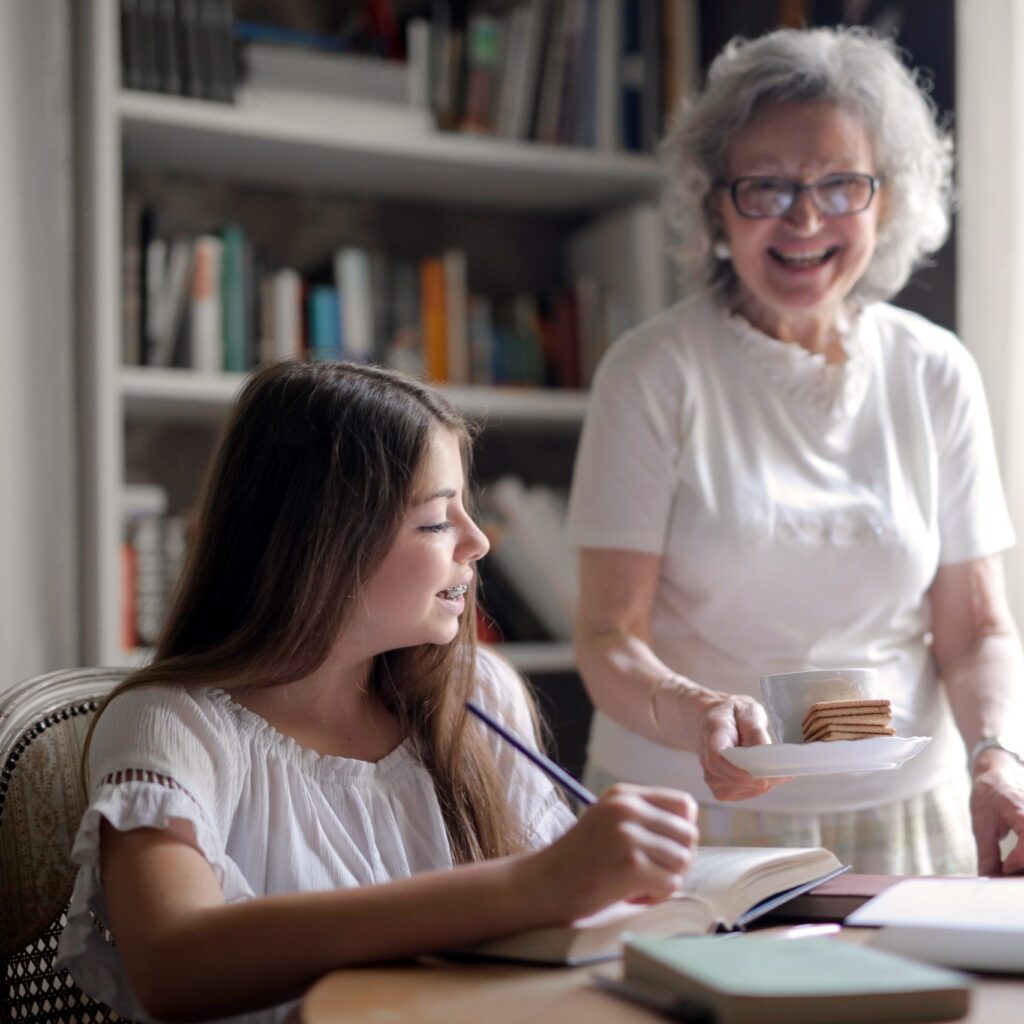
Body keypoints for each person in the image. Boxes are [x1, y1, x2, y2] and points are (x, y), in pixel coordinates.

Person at [57, 361, 698, 1024]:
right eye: (434, 523)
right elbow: (172, 964)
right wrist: (529, 887)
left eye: (465, 511)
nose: (478, 542)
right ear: (319, 545)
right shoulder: (174, 728)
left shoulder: (477, 698)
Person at [567, 26, 1024, 877]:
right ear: (714, 203)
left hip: (904, 813)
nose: (805, 218)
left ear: (886, 200)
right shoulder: (652, 371)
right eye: (766, 187)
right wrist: (691, 709)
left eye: (840, 184)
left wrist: (997, 757)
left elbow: (975, 631)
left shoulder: (934, 370)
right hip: (685, 812)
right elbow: (606, 633)